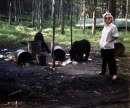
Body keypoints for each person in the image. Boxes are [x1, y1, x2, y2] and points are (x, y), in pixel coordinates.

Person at [98, 12, 119, 80]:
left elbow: (115, 36)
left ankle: (114, 74)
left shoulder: (113, 26)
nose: (108, 19)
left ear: (111, 18)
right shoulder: (105, 26)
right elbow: (103, 36)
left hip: (109, 47)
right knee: (104, 60)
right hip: (103, 46)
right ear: (104, 19)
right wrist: (101, 42)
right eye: (106, 18)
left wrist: (108, 42)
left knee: (111, 61)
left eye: (109, 18)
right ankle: (103, 72)